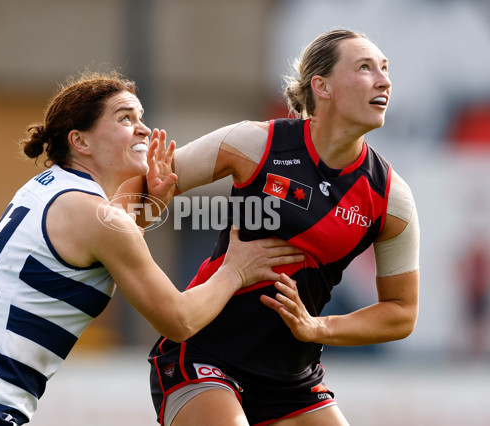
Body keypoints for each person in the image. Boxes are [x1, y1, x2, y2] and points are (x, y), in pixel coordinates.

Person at [0, 71, 304, 426]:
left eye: (142, 117)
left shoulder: (51, 189)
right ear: (81, 142)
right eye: (126, 118)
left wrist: (153, 204)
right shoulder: (96, 216)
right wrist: (235, 270)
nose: (143, 129)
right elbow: (178, 320)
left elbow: (94, 249)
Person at [146, 29, 420, 425]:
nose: (384, 80)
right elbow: (145, 196)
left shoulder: (392, 198)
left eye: (385, 69)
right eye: (365, 68)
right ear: (321, 86)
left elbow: (401, 313)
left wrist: (318, 327)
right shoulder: (254, 144)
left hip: (292, 379)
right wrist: (146, 198)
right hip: (206, 355)